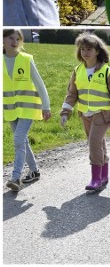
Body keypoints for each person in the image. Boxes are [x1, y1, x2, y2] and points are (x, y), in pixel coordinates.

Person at [59, 33, 110, 192]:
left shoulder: (107, 71)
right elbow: (72, 94)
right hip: (85, 114)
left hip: (102, 114)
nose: (85, 52)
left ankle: (95, 179)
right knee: (98, 144)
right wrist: (65, 112)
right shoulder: (77, 70)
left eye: (89, 49)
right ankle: (104, 175)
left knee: (94, 143)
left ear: (97, 51)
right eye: (82, 49)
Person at [4, 29, 51, 191]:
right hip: (10, 109)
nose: (14, 41)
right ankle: (35, 171)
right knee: (22, 141)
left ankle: (15, 178)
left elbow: (40, 84)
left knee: (18, 140)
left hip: (28, 108)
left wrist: (46, 106)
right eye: (11, 38)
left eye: (18, 39)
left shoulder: (26, 59)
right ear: (3, 39)